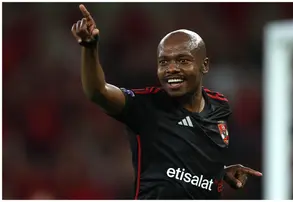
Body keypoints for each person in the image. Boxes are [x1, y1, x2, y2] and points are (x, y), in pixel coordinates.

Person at [71, 4, 262, 199]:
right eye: (163, 62)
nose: (171, 69)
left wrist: (219, 173)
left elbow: (196, 154)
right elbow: (98, 92)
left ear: (204, 65)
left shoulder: (219, 105)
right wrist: (89, 48)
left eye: (182, 60)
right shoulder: (147, 105)